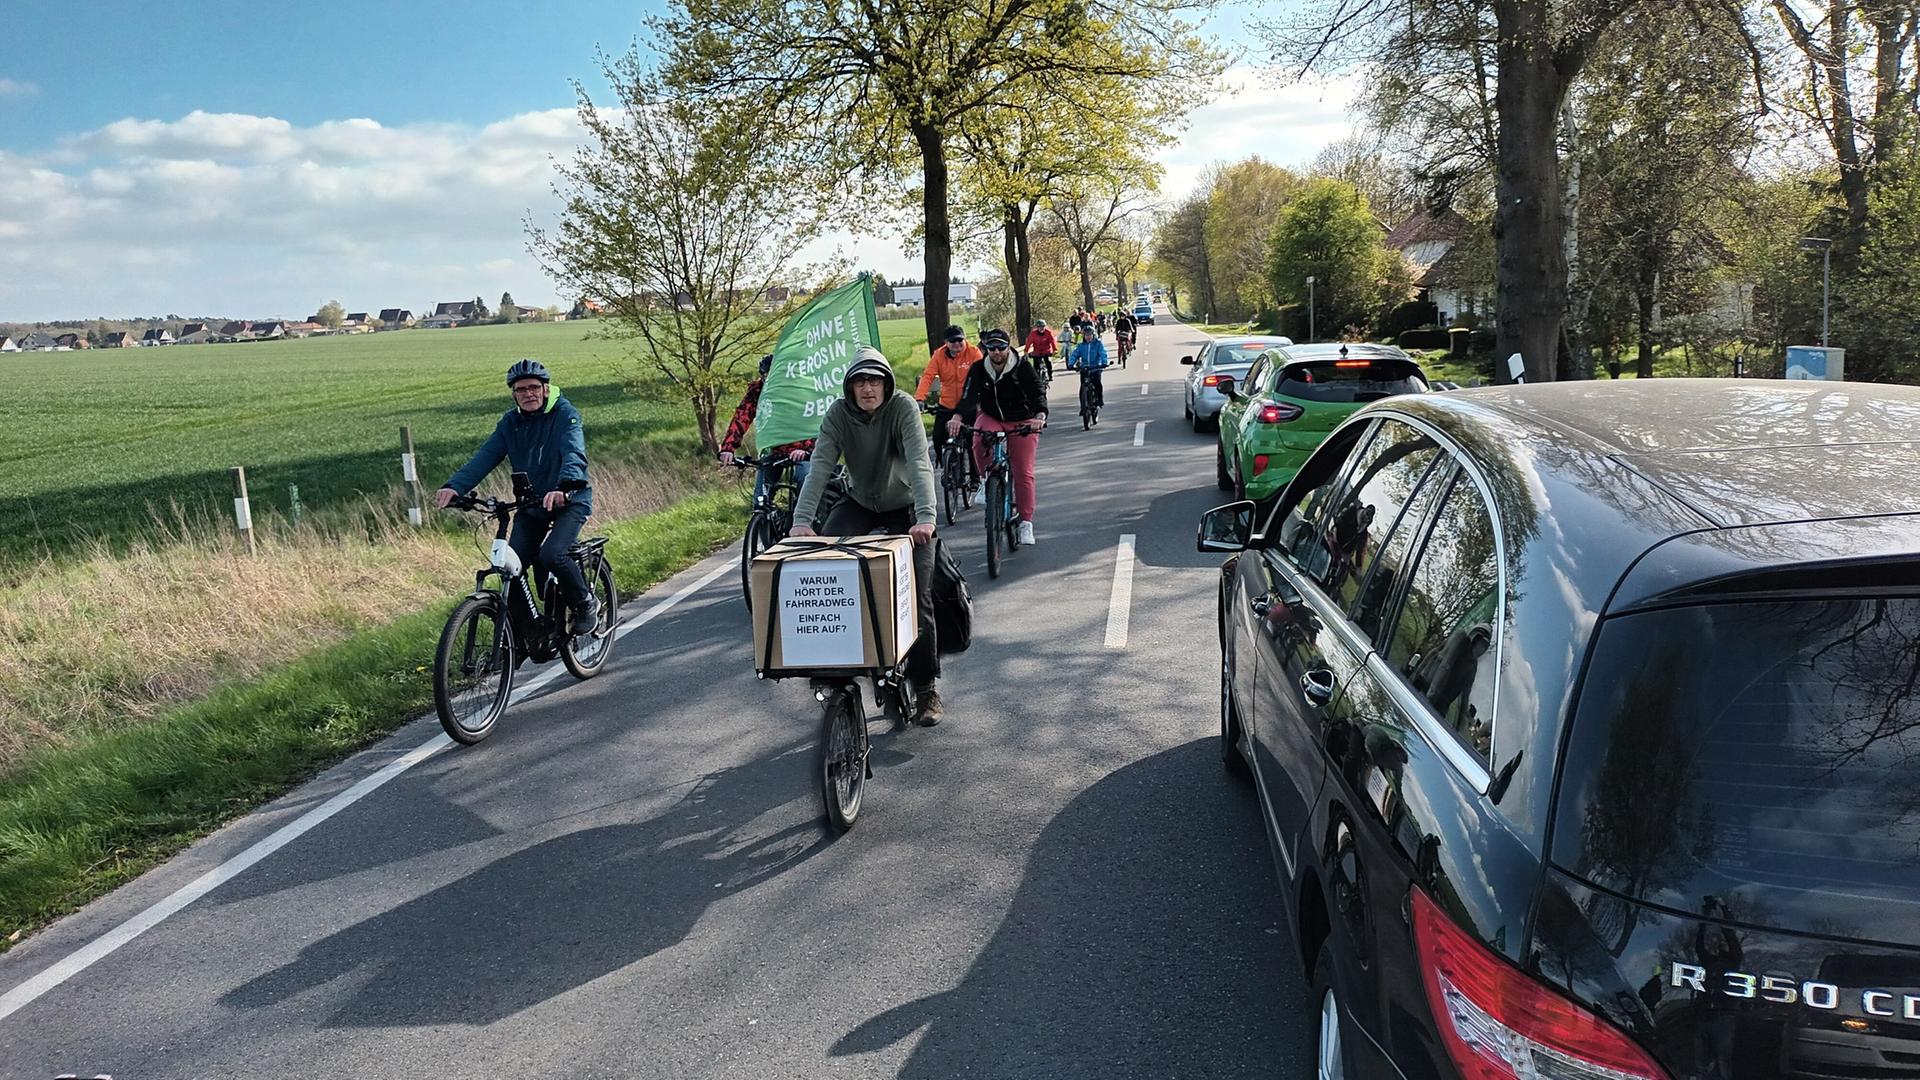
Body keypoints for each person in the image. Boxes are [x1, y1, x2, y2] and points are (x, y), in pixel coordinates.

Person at [791, 348, 946, 725]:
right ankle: (835, 671)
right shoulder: (839, 415)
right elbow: (820, 467)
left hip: (906, 507)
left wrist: (926, 517)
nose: (867, 388)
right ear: (850, 386)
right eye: (860, 381)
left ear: (886, 383)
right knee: (824, 564)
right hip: (860, 501)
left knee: (917, 595)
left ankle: (926, 689)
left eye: (874, 380)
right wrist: (801, 521)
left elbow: (919, 463)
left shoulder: (903, 409)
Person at [438, 359, 599, 635]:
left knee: (552, 555)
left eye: (534, 387)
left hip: (569, 500)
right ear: (514, 393)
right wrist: (456, 487)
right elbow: (485, 457)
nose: (528, 394)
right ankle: (530, 635)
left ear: (545, 389)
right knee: (509, 570)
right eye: (521, 389)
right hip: (531, 505)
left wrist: (564, 486)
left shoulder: (565, 414)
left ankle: (585, 603)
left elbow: (574, 451)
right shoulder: (510, 423)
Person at [950, 329, 1047, 545]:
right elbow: (968, 395)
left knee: (1024, 472)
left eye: (1001, 347)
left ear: (1008, 347)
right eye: (991, 348)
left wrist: (1040, 415)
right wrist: (957, 416)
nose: (996, 352)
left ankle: (1025, 523)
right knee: (978, 438)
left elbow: (1037, 391)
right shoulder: (979, 369)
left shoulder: (1021, 367)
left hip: (1023, 419)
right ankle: (986, 481)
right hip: (992, 415)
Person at [718, 353, 813, 508]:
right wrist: (728, 448)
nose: (768, 381)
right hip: (773, 450)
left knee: (805, 481)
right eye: (764, 377)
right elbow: (742, 416)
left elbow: (814, 419)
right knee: (761, 498)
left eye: (772, 376)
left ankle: (807, 521)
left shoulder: (800, 389)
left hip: (801, 449)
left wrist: (808, 449)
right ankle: (763, 523)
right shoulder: (757, 391)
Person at [914, 325, 982, 481]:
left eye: (960, 340)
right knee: (938, 436)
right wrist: (919, 398)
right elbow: (928, 376)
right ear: (946, 342)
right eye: (953, 341)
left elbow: (982, 375)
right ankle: (945, 464)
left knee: (973, 441)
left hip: (968, 405)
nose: (957, 344)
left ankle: (975, 477)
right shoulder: (939, 355)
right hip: (947, 404)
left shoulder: (973, 353)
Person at [1066, 323, 1110, 411]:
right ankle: (1083, 406)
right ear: (1084, 336)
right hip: (1084, 368)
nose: (1088, 337)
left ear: (1093, 335)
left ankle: (1099, 400)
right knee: (1082, 388)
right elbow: (1075, 355)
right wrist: (1071, 364)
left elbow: (1102, 353)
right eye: (1086, 335)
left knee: (1098, 385)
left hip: (1095, 368)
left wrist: (1104, 363)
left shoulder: (1098, 344)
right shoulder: (1081, 345)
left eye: (1090, 335)